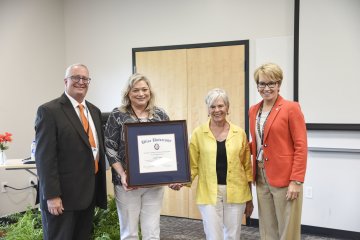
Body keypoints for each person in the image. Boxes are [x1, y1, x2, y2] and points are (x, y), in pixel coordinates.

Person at [35, 63, 107, 239]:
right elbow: (45, 158)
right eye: (76, 77)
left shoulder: (95, 111)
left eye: (85, 78)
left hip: (87, 195)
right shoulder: (49, 111)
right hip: (62, 198)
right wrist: (51, 196)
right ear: (65, 81)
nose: (81, 82)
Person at [105, 73, 175, 240]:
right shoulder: (117, 115)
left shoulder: (160, 115)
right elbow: (109, 147)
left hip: (154, 183)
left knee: (152, 232)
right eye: (135, 90)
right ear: (128, 93)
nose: (141, 94)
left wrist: (172, 173)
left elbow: (169, 146)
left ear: (150, 91)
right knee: (129, 232)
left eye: (144, 89)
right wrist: (122, 174)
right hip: (127, 184)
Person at [249, 63, 307, 240]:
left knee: (287, 227)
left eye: (271, 83)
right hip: (260, 173)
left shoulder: (291, 108)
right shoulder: (253, 110)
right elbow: (259, 142)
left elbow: (301, 146)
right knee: (267, 226)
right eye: (262, 84)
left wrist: (296, 180)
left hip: (285, 175)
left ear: (279, 84)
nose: (266, 88)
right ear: (257, 85)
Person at [189, 88, 253, 240]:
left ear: (227, 107)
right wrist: (178, 181)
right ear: (208, 109)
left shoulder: (239, 133)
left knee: (232, 235)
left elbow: (247, 168)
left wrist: (250, 198)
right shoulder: (198, 133)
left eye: (220, 106)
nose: (217, 110)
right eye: (212, 106)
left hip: (237, 191)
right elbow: (192, 166)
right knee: (213, 235)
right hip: (208, 192)